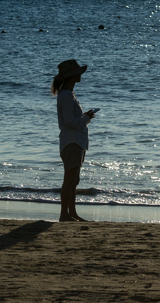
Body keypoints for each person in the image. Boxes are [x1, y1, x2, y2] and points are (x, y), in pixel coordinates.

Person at [51, 59, 95, 222]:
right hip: (72, 141)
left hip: (74, 141)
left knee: (74, 180)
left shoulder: (67, 94)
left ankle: (71, 213)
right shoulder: (67, 95)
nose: (80, 76)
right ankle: (64, 214)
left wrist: (84, 117)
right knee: (69, 180)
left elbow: (71, 119)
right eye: (77, 73)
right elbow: (70, 121)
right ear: (72, 76)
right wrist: (86, 118)